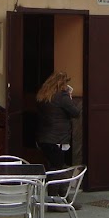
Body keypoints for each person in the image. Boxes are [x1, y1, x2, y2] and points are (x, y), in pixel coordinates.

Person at [35, 71, 82, 204]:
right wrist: (69, 96)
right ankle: (55, 200)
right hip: (58, 139)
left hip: (44, 138)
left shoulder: (43, 96)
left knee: (54, 167)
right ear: (62, 84)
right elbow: (75, 112)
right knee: (57, 169)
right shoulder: (62, 97)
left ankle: (61, 197)